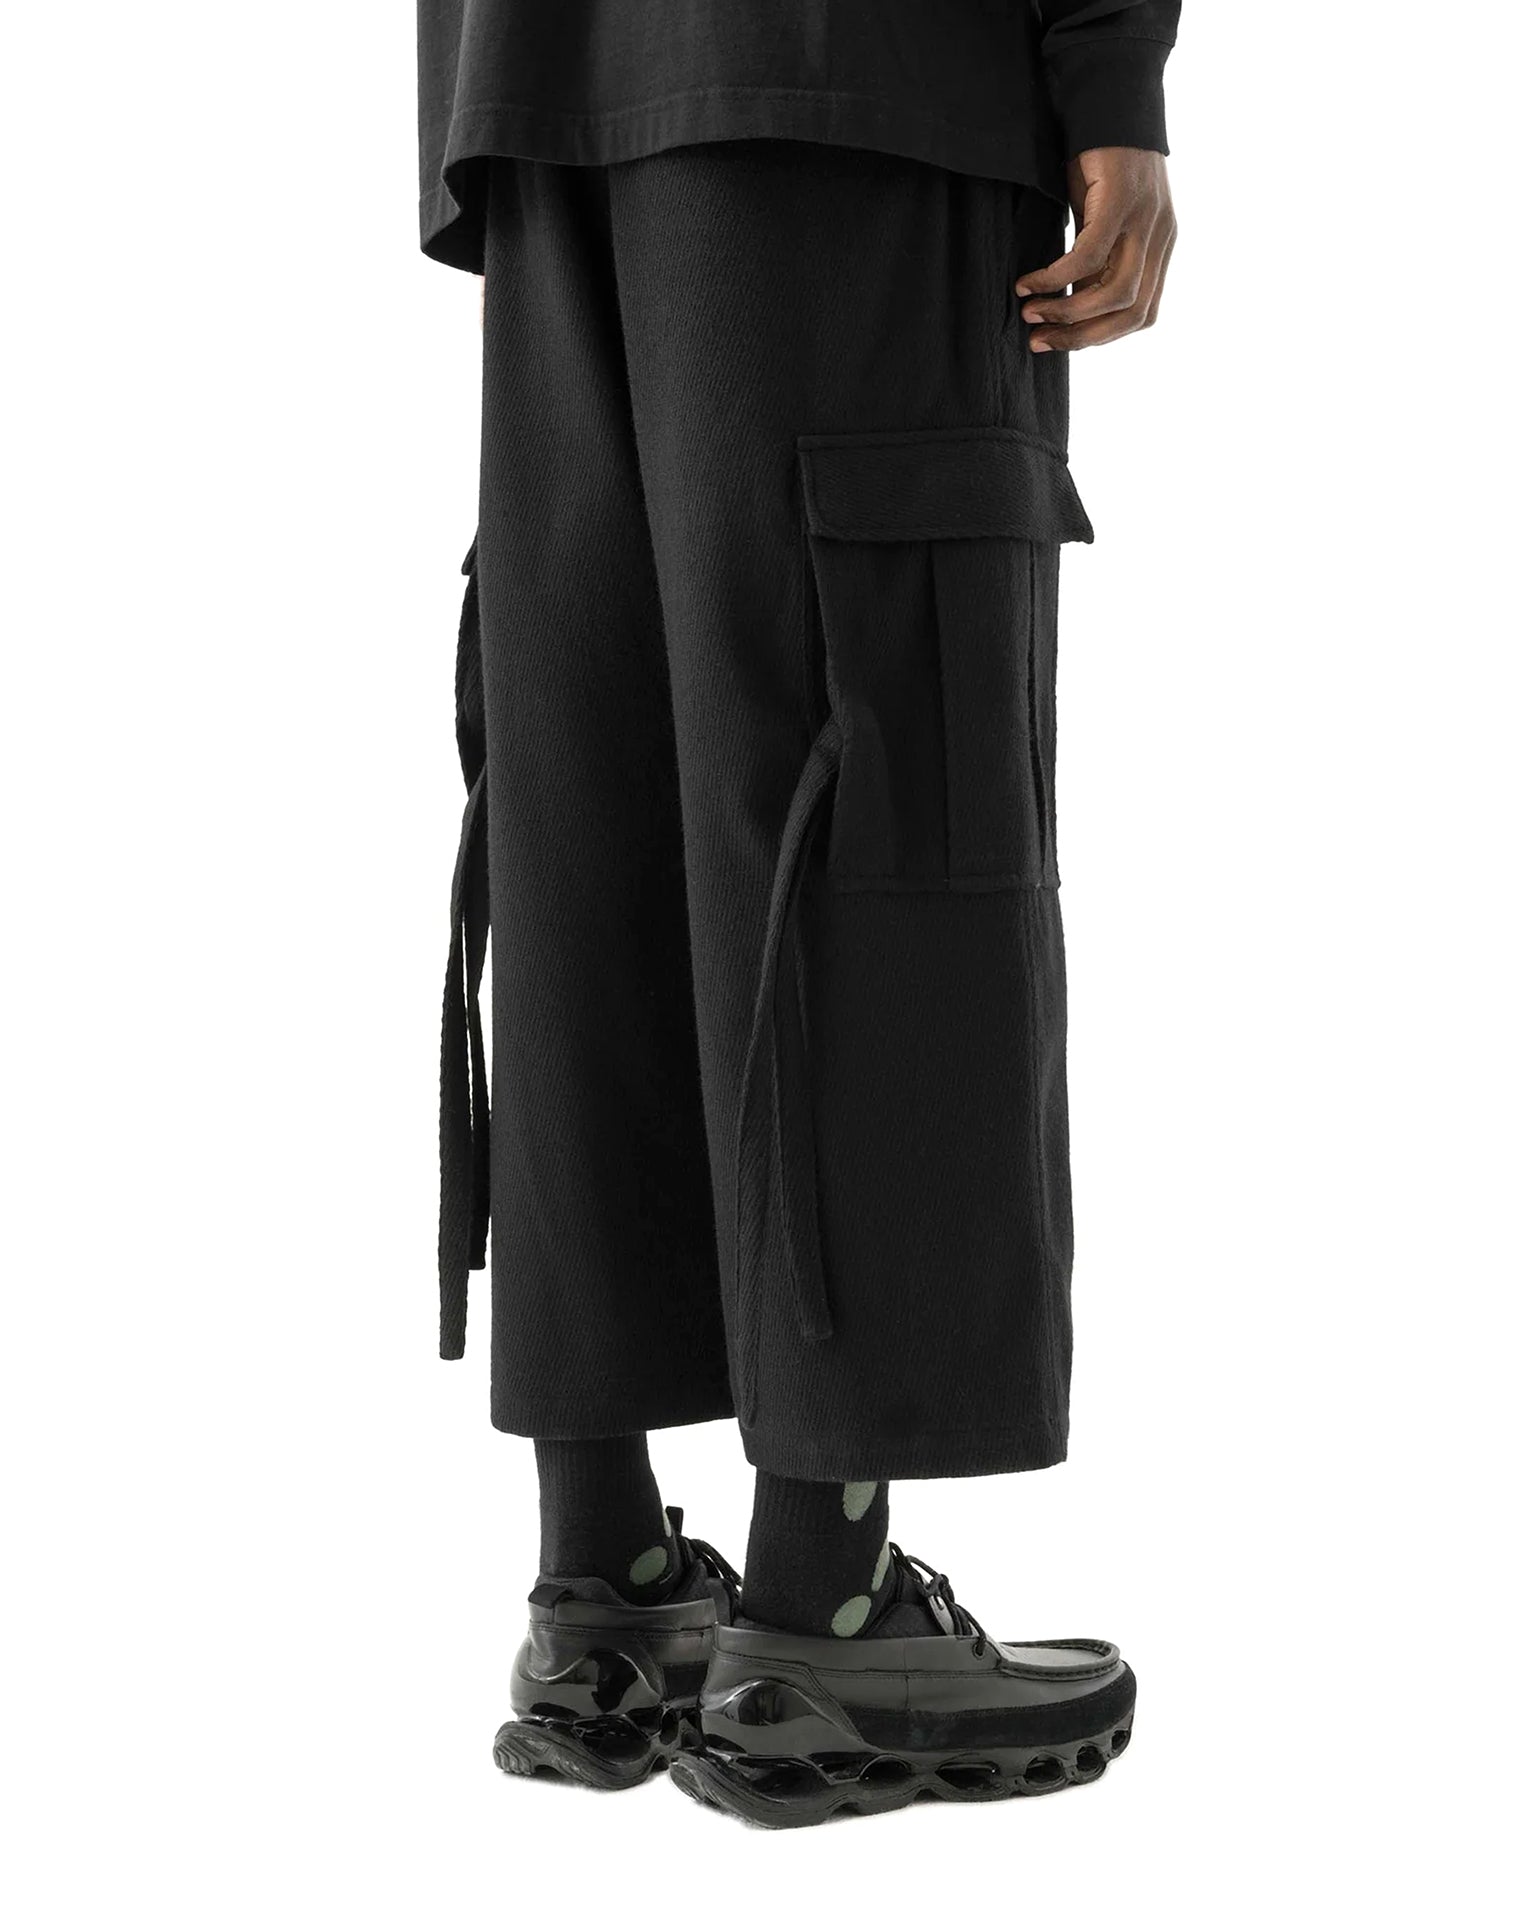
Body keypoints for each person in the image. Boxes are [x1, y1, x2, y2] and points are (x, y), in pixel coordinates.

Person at [418, 1, 1179, 1826]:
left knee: (595, 776)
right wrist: (1111, 80)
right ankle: (824, 1606)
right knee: (870, 765)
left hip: (541, 80)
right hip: (864, 65)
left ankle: (604, 1589)